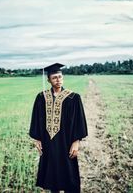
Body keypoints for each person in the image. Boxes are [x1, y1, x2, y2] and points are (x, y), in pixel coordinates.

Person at [28, 63, 88, 193]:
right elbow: (36, 119)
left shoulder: (73, 98)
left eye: (60, 77)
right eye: (54, 77)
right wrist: (37, 139)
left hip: (66, 143)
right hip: (48, 143)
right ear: (48, 80)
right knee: (52, 176)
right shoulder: (41, 98)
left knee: (69, 177)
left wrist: (76, 142)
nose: (58, 80)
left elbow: (79, 121)